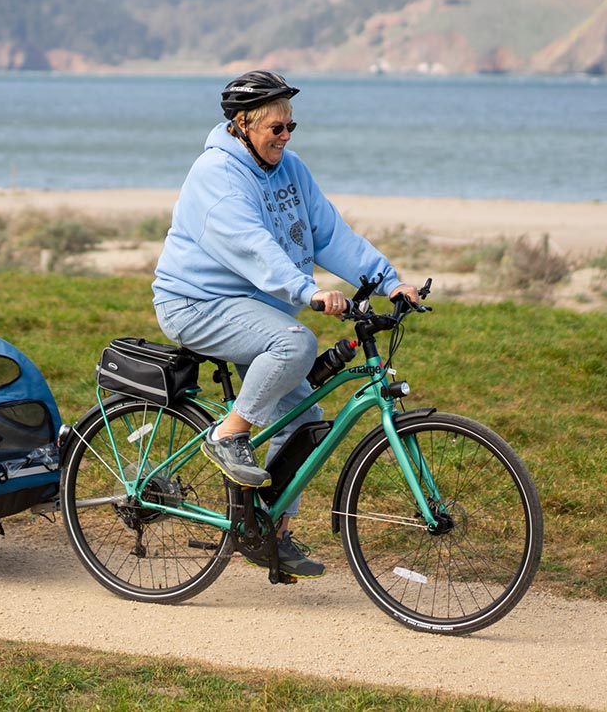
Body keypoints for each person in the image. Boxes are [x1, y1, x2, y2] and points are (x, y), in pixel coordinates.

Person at [152, 69, 420, 581]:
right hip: (197, 304)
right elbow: (253, 245)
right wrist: (309, 292)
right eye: (276, 128)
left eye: (290, 127)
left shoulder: (290, 170)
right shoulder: (217, 175)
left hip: (255, 309)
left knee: (305, 420)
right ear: (241, 125)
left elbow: (328, 233)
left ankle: (267, 532)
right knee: (296, 342)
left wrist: (389, 281)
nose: (285, 137)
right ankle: (228, 435)